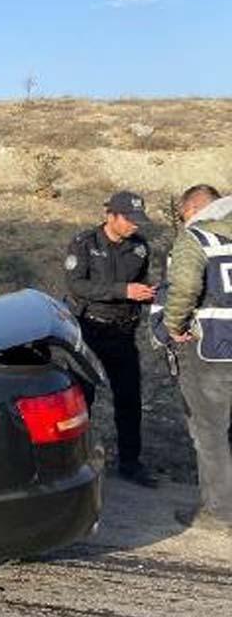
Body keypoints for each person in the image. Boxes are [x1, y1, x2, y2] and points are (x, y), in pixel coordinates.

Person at [64, 191, 159, 487]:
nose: (134, 226)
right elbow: (77, 285)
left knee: (129, 398)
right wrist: (123, 291)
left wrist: (145, 293)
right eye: (129, 220)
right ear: (111, 216)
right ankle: (76, 462)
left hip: (123, 333)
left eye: (138, 221)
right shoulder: (85, 244)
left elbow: (139, 283)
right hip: (90, 329)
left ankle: (130, 462)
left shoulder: (140, 248)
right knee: (83, 397)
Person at [159, 184, 232, 533]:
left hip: (213, 352)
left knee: (211, 431)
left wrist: (173, 326)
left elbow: (184, 289)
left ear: (192, 211)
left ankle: (219, 513)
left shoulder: (197, 239)